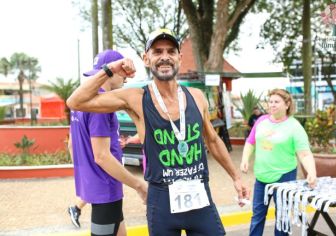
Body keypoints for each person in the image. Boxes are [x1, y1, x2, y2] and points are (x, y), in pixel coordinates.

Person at [67, 28, 250, 236]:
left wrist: (236, 177)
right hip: (161, 203)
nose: (165, 57)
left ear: (179, 58)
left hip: (200, 199)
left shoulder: (197, 96)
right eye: (157, 51)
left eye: (171, 51)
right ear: (146, 59)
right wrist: (110, 69)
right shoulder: (135, 97)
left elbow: (214, 140)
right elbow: (75, 101)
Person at [68, 49, 147, 236]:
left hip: (95, 186)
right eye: (124, 77)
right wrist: (140, 185)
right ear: (114, 72)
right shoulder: (102, 105)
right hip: (106, 187)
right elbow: (102, 156)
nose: (125, 81)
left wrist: (88, 174)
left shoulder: (81, 102)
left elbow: (72, 145)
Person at [240, 88, 317, 236]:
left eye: (277, 102)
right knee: (257, 217)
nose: (272, 105)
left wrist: (312, 172)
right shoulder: (261, 121)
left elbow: (305, 154)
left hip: (284, 177)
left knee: (282, 218)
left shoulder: (294, 126)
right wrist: (245, 159)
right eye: (270, 101)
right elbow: (250, 142)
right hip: (262, 177)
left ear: (287, 104)